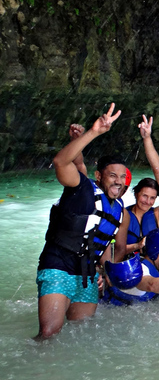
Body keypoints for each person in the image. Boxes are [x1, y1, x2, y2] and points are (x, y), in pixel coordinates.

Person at [35, 104, 126, 339]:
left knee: (80, 335)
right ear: (99, 176)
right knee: (49, 332)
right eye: (112, 175)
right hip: (58, 264)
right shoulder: (81, 188)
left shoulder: (119, 210)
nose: (118, 181)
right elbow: (61, 163)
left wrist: (103, 273)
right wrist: (93, 133)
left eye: (122, 177)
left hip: (87, 273)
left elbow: (103, 244)